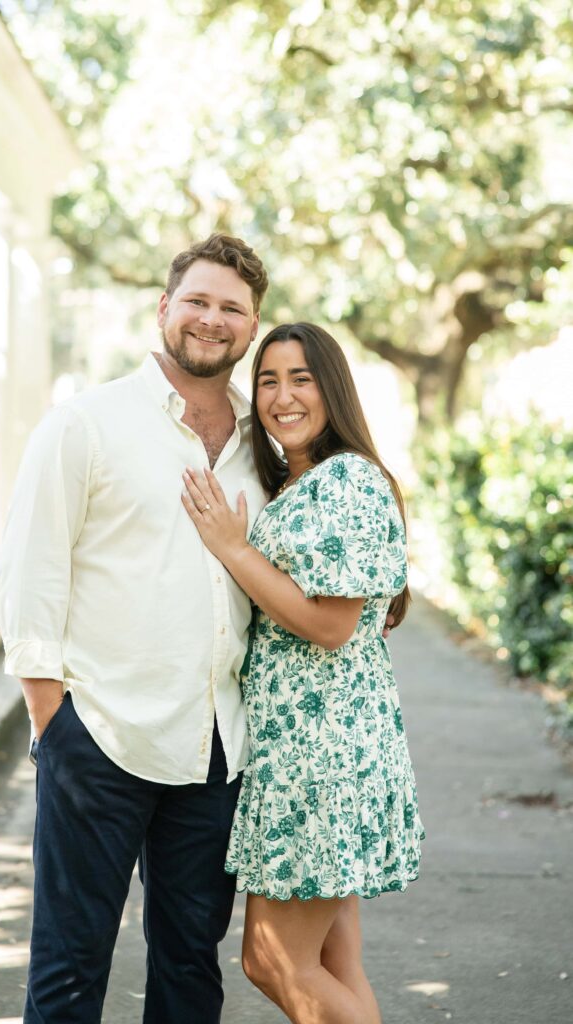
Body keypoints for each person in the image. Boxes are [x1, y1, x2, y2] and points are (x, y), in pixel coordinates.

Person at [0, 233, 271, 1024]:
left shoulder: (264, 445)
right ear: (162, 308)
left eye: (231, 308)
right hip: (100, 735)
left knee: (190, 967)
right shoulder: (86, 424)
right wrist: (53, 720)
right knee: (69, 968)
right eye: (196, 301)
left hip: (215, 747)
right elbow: (30, 572)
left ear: (252, 326)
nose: (211, 320)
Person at [182, 322, 424, 1024]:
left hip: (324, 754)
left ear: (332, 389)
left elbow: (330, 624)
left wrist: (233, 548)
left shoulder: (346, 480)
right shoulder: (298, 483)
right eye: (268, 380)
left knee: (274, 960)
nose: (282, 396)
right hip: (300, 750)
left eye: (301, 379)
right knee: (332, 964)